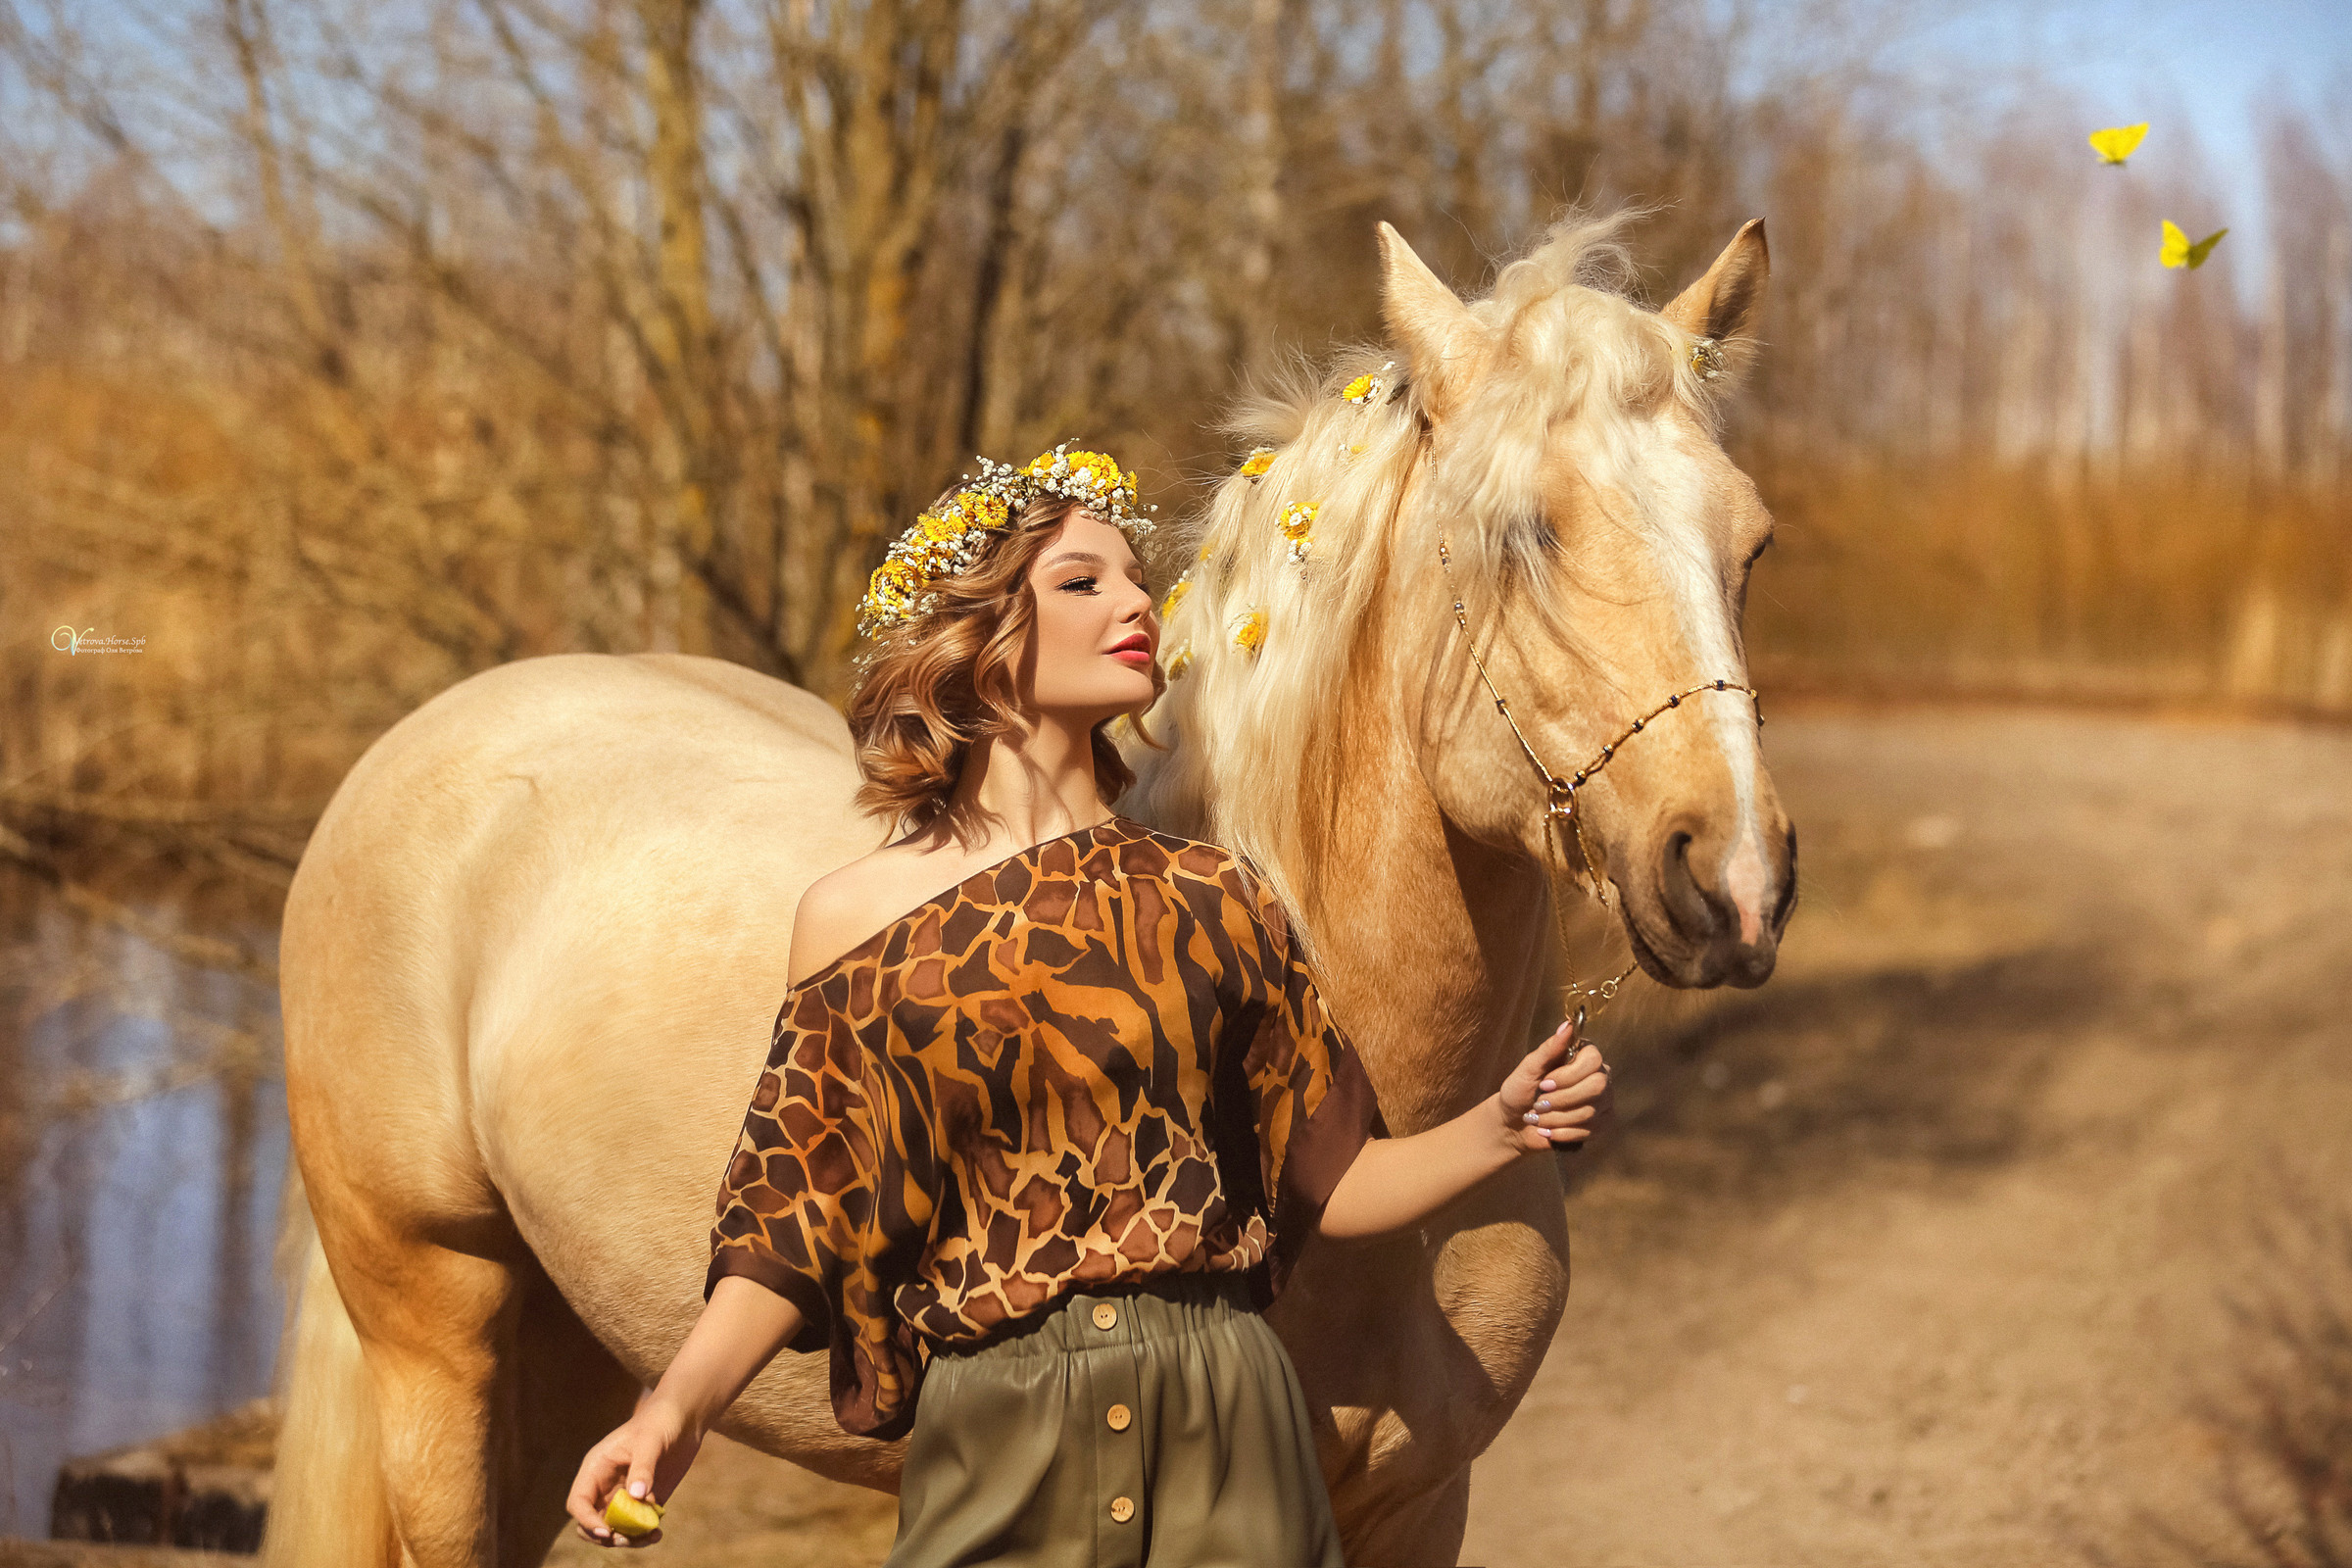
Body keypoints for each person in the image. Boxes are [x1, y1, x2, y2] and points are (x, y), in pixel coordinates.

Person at [563, 444, 1615, 1564]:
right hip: (994, 1432)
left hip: (1230, 1425)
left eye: (1134, 578)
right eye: (1083, 582)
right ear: (978, 637)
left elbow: (1333, 1177)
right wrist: (672, 1409)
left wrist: (1500, 1126)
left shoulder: (1214, 896)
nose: (1136, 603)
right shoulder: (850, 918)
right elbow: (797, 1212)